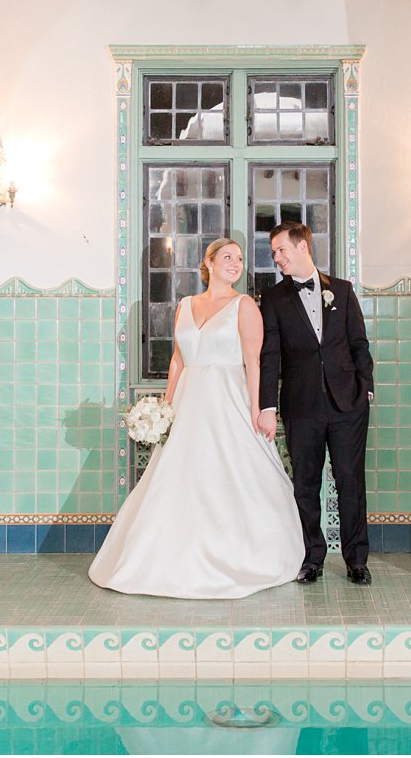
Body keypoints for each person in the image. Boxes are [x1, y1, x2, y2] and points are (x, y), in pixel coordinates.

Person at [89, 238, 305, 598]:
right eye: (227, 257)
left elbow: (254, 362)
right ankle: (167, 558)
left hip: (228, 401)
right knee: (178, 476)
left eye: (239, 258)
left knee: (229, 475)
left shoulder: (245, 305)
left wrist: (256, 409)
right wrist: (166, 406)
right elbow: (178, 359)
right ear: (208, 262)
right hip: (189, 402)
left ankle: (241, 557)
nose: (235, 263)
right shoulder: (186, 305)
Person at [258, 221, 375, 585]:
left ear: (302, 248)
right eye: (274, 252)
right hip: (301, 405)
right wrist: (267, 405)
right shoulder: (274, 299)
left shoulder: (341, 290)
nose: (276, 258)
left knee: (350, 482)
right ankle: (312, 558)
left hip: (348, 405)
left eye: (281, 250)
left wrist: (365, 388)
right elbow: (270, 356)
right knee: (305, 485)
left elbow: (359, 343)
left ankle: (357, 560)